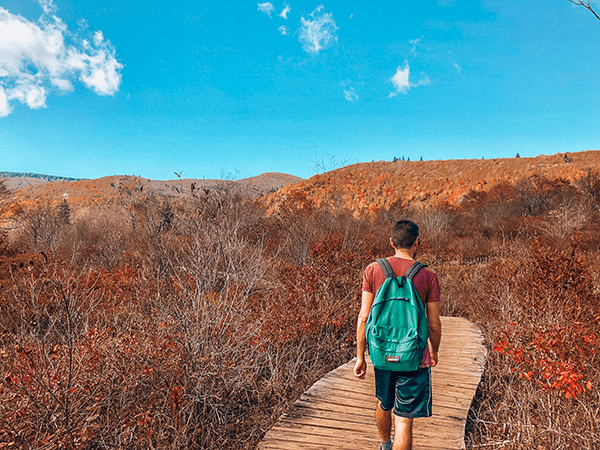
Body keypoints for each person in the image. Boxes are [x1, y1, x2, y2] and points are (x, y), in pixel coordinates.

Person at [354, 220, 442, 450]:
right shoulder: (428, 275)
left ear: (391, 242)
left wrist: (361, 356)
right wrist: (434, 349)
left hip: (382, 352)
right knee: (403, 419)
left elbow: (364, 316)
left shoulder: (373, 270)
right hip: (413, 355)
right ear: (417, 243)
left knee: (384, 403)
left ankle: (385, 445)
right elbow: (433, 323)